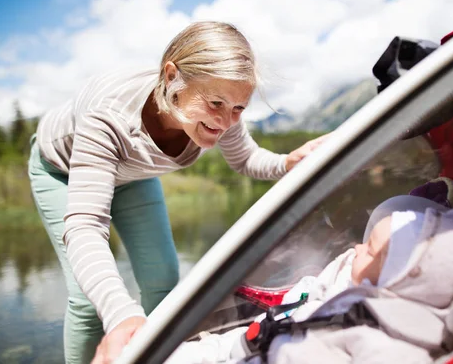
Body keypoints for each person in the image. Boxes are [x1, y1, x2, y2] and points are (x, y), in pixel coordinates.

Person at [27, 21, 329, 364]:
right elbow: (84, 226)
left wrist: (288, 162)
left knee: (163, 277)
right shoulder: (107, 113)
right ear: (172, 77)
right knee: (87, 298)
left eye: (239, 108)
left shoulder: (222, 106)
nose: (227, 120)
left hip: (133, 175)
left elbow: (246, 158)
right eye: (216, 103)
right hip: (61, 170)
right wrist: (120, 316)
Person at [168, 192, 453, 364]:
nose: (355, 247)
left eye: (369, 248)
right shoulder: (343, 290)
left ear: (396, 279)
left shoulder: (392, 347)